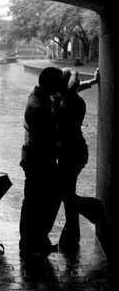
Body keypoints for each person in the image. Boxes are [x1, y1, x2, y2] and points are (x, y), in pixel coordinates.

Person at [54, 67, 102, 251]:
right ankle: (72, 234)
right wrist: (92, 81)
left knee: (65, 193)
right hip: (76, 151)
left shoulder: (64, 101)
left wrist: (73, 73)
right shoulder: (68, 99)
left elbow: (72, 88)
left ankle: (93, 208)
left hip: (71, 153)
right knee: (67, 190)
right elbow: (74, 89)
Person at [19, 66, 63, 259]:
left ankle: (35, 241)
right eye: (58, 82)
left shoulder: (36, 95)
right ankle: (32, 243)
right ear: (52, 85)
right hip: (39, 161)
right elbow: (53, 138)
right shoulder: (40, 108)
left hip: (34, 158)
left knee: (35, 202)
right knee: (41, 202)